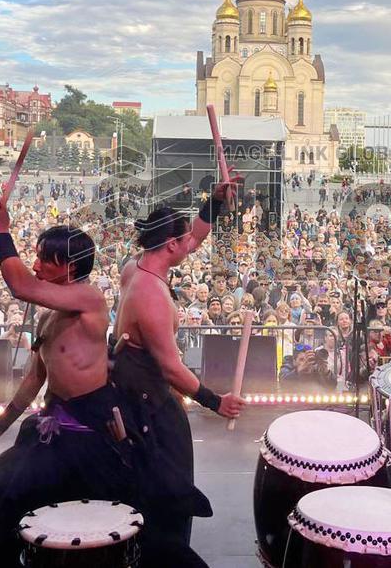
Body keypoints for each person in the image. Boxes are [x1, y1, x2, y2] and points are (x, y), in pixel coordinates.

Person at [0, 210, 138, 568]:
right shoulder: (48, 315)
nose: (37, 264)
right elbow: (35, 378)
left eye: (46, 258)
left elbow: (20, 286)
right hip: (52, 435)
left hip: (91, 436)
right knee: (9, 519)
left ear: (70, 267)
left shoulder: (90, 299)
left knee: (105, 531)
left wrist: (2, 233)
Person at [112, 174, 246, 561]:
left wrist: (215, 202)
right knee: (166, 487)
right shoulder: (151, 294)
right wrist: (214, 401)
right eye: (182, 240)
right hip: (146, 401)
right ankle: (161, 555)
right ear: (170, 245)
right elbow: (170, 367)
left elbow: (196, 237)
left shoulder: (136, 266)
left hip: (136, 388)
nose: (190, 244)